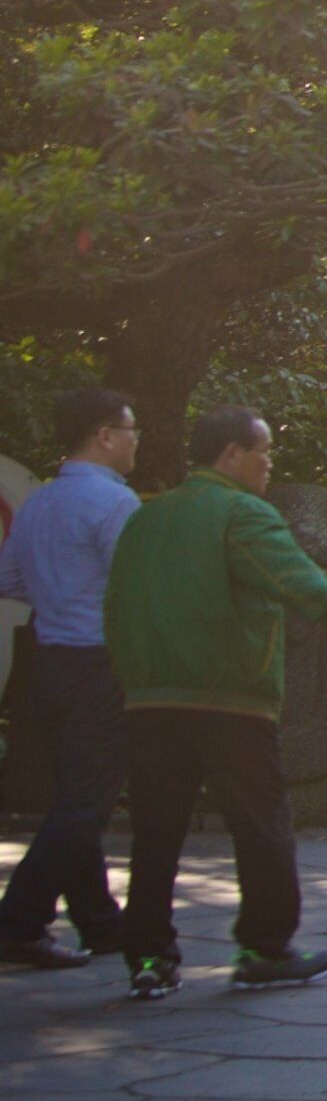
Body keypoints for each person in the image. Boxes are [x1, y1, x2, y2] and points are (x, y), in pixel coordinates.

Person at [107, 406, 327, 998]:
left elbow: (115, 603)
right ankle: (264, 948)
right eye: (263, 451)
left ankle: (148, 957)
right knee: (261, 824)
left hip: (150, 701)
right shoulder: (242, 514)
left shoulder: (146, 517)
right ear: (231, 454)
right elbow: (293, 575)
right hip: (229, 701)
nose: (269, 464)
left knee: (156, 832)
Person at [0, 390, 139, 967]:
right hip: (98, 661)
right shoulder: (115, 503)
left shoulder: (40, 501)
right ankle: (18, 920)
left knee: (75, 796)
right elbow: (134, 587)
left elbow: (9, 578)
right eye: (130, 429)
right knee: (87, 800)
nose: (136, 440)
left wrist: (61, 595)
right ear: (104, 435)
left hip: (46, 661)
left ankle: (101, 924)